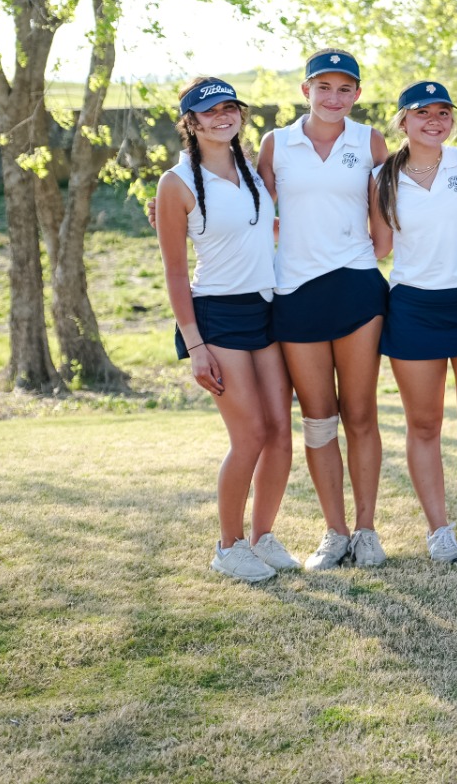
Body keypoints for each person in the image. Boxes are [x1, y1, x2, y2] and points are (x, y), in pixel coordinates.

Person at [155, 78, 297, 582]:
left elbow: (262, 229)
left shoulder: (252, 167)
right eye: (209, 111)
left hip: (266, 310)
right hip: (216, 316)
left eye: (230, 107)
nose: (222, 117)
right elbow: (174, 272)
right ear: (190, 122)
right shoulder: (176, 184)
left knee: (281, 433)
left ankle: (261, 537)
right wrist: (194, 345)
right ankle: (228, 546)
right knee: (251, 434)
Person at [260, 48, 390, 570]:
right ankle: (333, 533)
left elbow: (385, 220)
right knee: (318, 419)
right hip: (295, 292)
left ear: (357, 94)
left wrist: (356, 254)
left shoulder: (369, 141)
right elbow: (250, 204)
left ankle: (366, 531)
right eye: (323, 87)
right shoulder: (277, 144)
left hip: (356, 288)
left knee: (360, 413)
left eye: (344, 89)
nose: (333, 98)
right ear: (305, 90)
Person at [371, 81, 457, 564]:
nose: (434, 121)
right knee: (424, 425)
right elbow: (377, 245)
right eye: (423, 113)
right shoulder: (382, 175)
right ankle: (439, 530)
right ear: (402, 120)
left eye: (443, 113)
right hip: (414, 307)